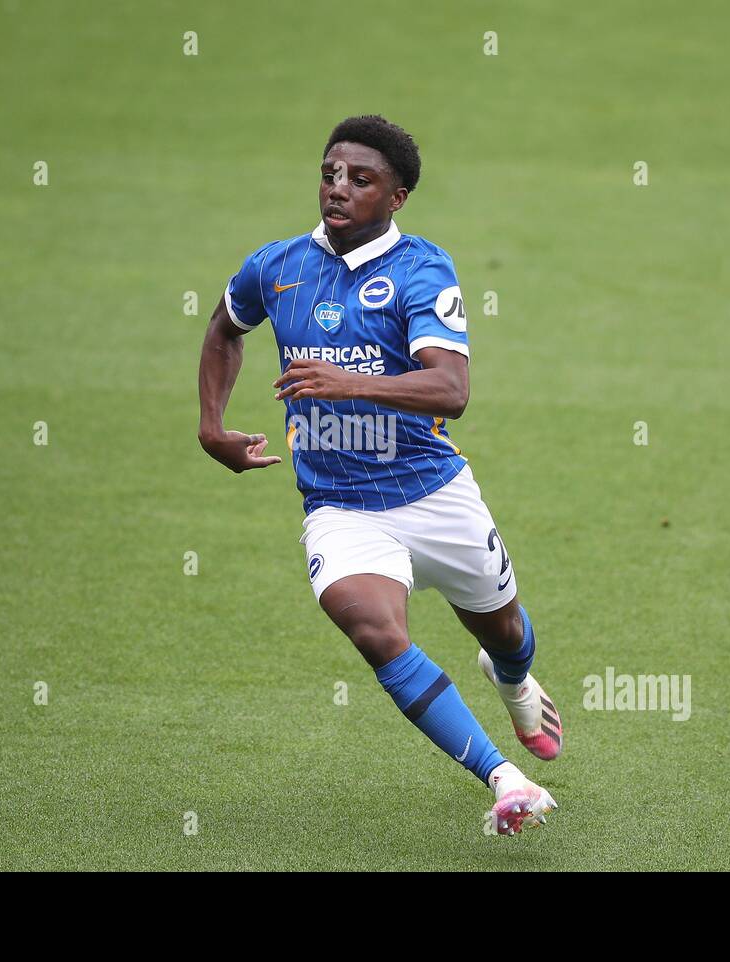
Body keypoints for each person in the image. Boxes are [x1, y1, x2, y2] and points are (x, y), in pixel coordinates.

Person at [197, 115, 561, 835]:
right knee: (373, 630)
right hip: (340, 506)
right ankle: (505, 778)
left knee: (507, 632)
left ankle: (513, 681)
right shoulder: (275, 266)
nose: (338, 189)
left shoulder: (423, 270)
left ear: (396, 197)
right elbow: (224, 328)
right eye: (331, 174)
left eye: (360, 180)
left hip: (434, 494)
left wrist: (347, 383)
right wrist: (212, 426)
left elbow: (451, 390)